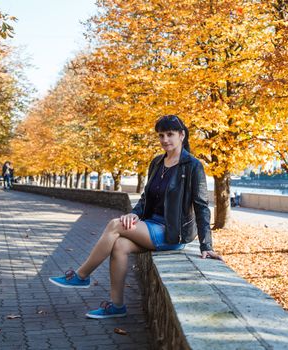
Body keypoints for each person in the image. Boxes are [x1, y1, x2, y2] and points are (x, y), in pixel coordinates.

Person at [48, 114, 223, 319]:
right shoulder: (157, 163)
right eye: (161, 135)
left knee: (115, 224)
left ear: (181, 135)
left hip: (172, 232)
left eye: (170, 134)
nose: (165, 139)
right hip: (150, 224)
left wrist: (206, 246)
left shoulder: (192, 166)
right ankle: (117, 306)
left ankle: (81, 275)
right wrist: (133, 214)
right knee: (120, 245)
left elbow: (202, 206)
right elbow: (145, 198)